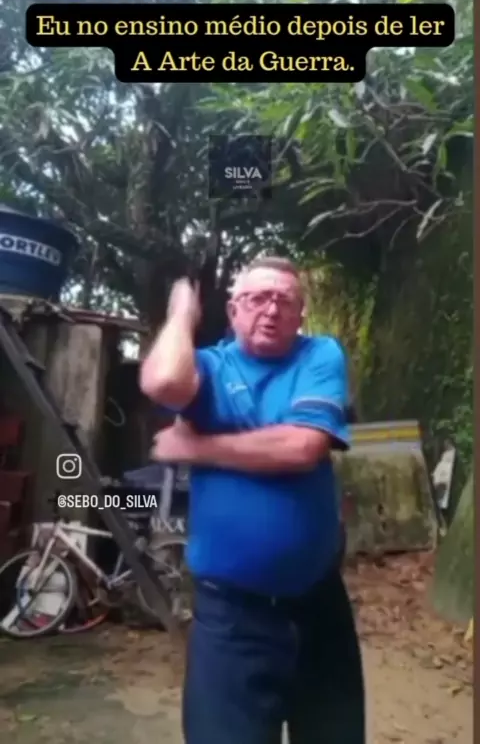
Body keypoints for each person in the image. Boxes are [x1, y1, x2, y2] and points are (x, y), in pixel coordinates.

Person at [140, 256, 365, 744]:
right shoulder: (210, 366)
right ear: (233, 310)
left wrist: (196, 448)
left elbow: (302, 447)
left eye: (285, 300)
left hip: (318, 606)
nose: (272, 309)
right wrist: (182, 312)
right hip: (231, 619)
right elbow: (163, 382)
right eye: (258, 298)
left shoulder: (319, 355)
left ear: (300, 313)